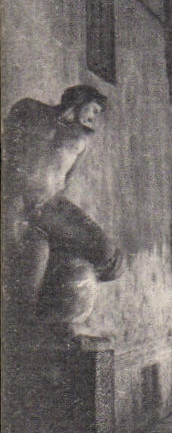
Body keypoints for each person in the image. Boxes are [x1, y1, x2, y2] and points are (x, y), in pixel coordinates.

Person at [2, 86, 122, 337]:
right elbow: (10, 151)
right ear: (79, 101)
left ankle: (52, 244)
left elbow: (67, 179)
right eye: (93, 110)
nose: (94, 117)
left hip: (52, 203)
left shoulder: (81, 139)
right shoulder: (30, 111)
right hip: (20, 201)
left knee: (112, 258)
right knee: (26, 293)